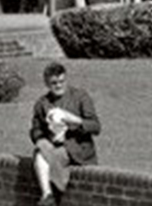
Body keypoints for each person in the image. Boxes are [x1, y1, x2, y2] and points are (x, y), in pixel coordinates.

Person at [28, 62, 100, 206]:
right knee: (40, 152)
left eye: (62, 81)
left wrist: (72, 119)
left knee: (48, 157)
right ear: (47, 83)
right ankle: (47, 195)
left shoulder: (80, 96)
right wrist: (43, 139)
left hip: (77, 148)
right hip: (54, 145)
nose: (59, 86)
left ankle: (51, 195)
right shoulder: (42, 103)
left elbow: (95, 126)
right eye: (54, 83)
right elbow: (35, 129)